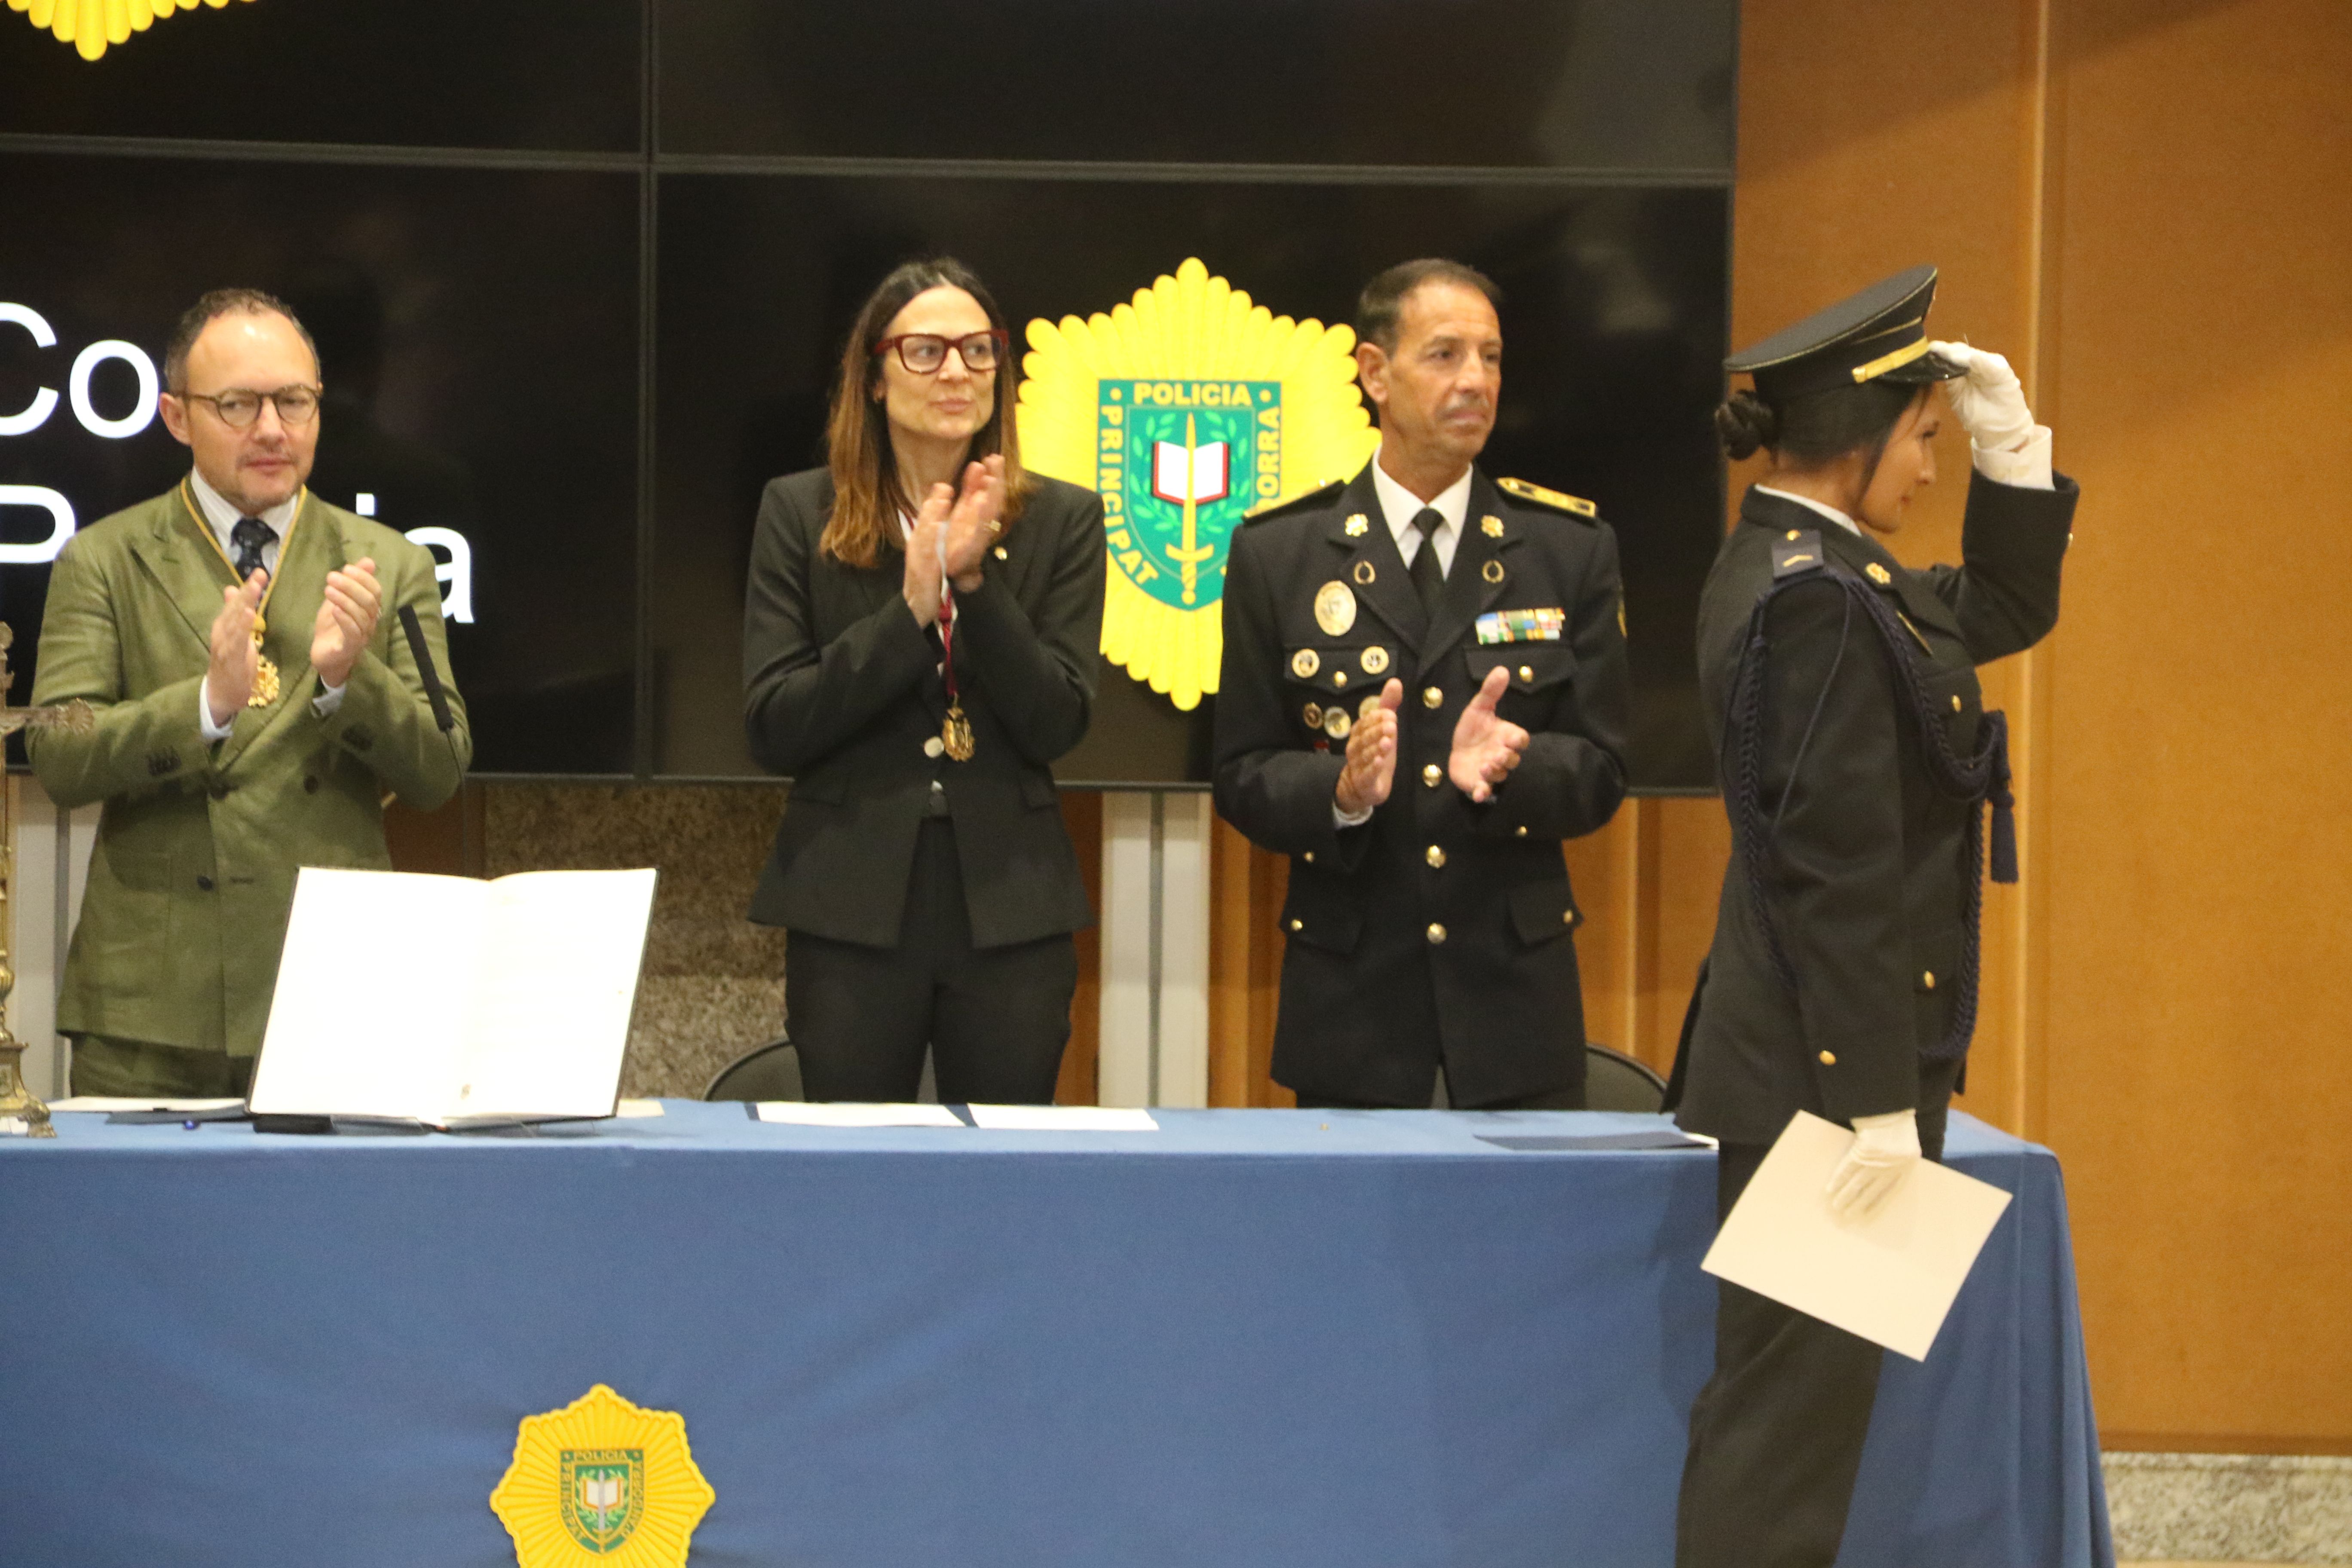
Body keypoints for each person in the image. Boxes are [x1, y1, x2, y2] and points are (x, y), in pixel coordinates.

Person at [1666, 265, 2076, 1568]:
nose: (1933, 466)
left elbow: (2006, 609)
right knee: (1783, 1444)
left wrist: (2019, 446)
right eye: (1930, 437)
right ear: (1862, 442)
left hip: (1818, 1069)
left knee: (1799, 1430)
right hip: (1820, 1082)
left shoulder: (1829, 578)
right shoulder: (1814, 603)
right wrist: (1874, 1106)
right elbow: (1833, 876)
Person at [27, 288, 472, 1098]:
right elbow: (58, 754)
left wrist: (349, 679)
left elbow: (441, 770)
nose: (272, 429)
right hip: (151, 1009)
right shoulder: (104, 559)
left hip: (332, 990)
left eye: (294, 402)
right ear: (175, 416)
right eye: (238, 404)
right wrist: (205, 705)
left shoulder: (389, 561)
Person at [1213, 258, 1629, 1110]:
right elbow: (1243, 771)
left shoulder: (1568, 549)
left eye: (1491, 357)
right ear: (1374, 373)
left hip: (1516, 1001)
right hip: (1352, 1005)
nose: (1475, 380)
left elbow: (1604, 767)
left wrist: (1515, 767)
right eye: (1444, 355)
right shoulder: (1279, 554)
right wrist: (1340, 787)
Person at [742, 258, 1105, 1104]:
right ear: (873, 377)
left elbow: (1059, 721)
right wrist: (908, 614)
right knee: (855, 1175)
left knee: (1005, 1175)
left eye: (978, 351)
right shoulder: (800, 513)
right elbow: (773, 724)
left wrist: (974, 589)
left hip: (1012, 902)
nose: (955, 372)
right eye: (926, 351)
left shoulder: (1063, 520)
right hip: (850, 898)